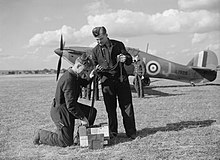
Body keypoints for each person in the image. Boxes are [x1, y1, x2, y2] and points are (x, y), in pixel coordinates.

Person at [33, 53, 97, 147]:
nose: (86, 73)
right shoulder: (69, 80)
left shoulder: (74, 75)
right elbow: (70, 105)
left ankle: (80, 137)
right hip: (61, 111)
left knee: (91, 112)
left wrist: (90, 77)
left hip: (69, 107)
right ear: (79, 65)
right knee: (65, 142)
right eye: (85, 70)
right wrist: (82, 118)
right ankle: (40, 134)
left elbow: (81, 83)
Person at [91, 26, 137, 139]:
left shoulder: (118, 45)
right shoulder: (95, 51)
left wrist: (125, 59)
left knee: (127, 107)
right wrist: (97, 69)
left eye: (101, 39)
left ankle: (131, 132)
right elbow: (94, 67)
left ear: (107, 35)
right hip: (107, 83)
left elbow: (129, 59)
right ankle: (113, 132)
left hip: (121, 80)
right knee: (110, 109)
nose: (99, 42)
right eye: (97, 40)